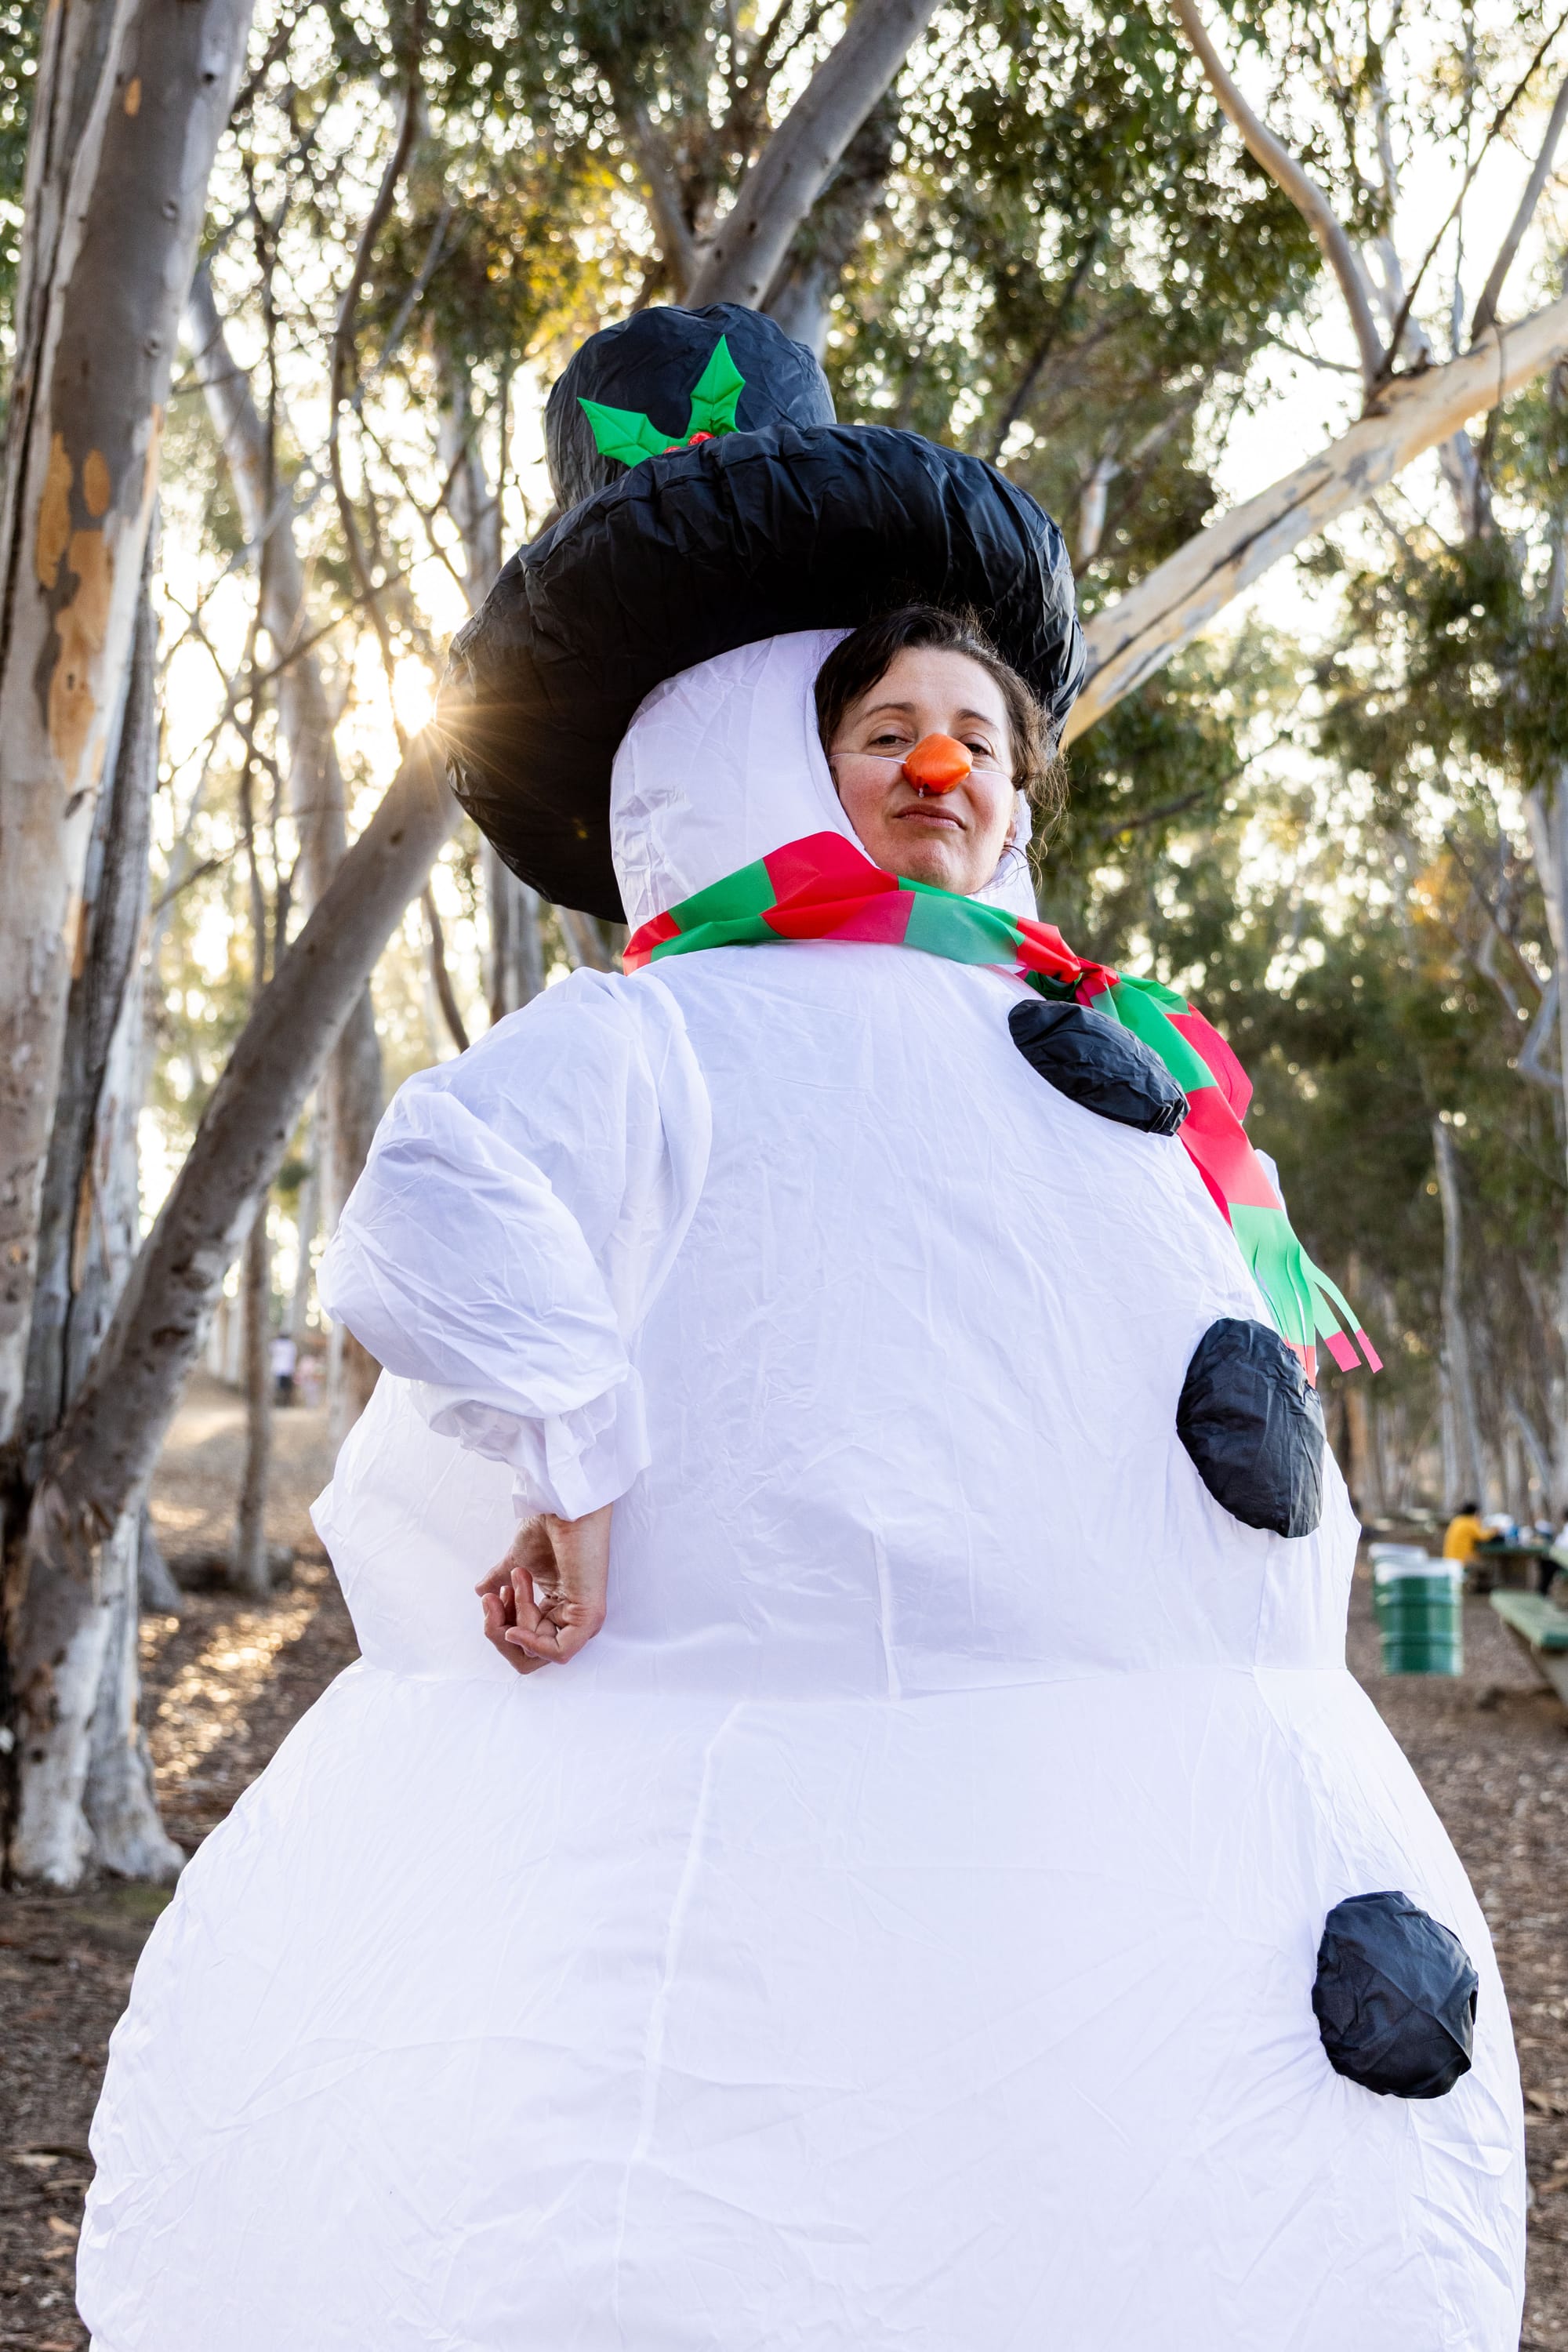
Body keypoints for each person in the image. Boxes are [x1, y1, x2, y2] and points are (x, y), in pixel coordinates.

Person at [80, 307, 1523, 2352]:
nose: (944, 766)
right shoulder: (678, 1030)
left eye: (986, 738)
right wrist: (578, 1458)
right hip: (759, 1842)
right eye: (885, 736)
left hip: (1138, 1871)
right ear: (786, 765)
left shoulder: (1120, 1052)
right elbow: (431, 1210)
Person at [1443, 1499, 1486, 1564]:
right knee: (1485, 1561)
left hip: (1449, 1557)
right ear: (1475, 1513)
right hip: (1460, 1559)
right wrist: (1495, 1530)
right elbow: (1482, 1536)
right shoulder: (1469, 1522)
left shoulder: (1457, 1520)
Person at [269, 1330, 297, 1406]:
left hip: (279, 1369)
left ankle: (280, 1402)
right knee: (285, 1388)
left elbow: (270, 1352)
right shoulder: (291, 1345)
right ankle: (284, 1403)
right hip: (287, 1369)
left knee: (280, 1388)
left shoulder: (276, 1344)